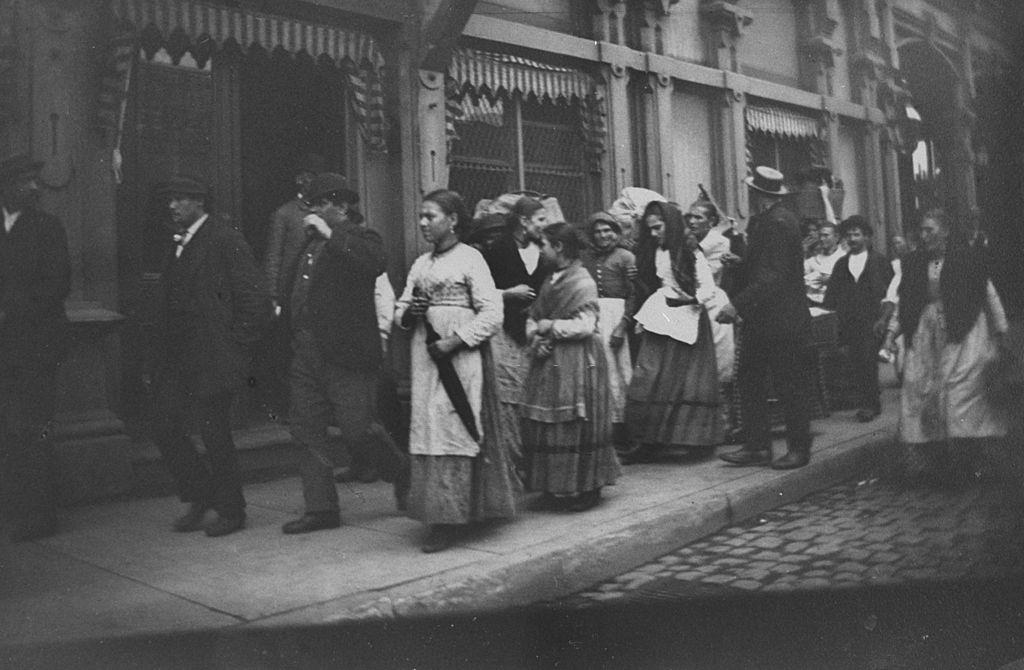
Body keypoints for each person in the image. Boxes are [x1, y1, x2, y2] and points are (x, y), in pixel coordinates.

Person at [277, 173, 404, 534]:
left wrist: (332, 234)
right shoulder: (310, 244)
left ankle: (402, 471)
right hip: (306, 350)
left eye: (319, 204)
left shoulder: (361, 238)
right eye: (311, 205)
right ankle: (321, 509)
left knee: (358, 430)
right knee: (306, 429)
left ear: (341, 206)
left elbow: (373, 262)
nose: (311, 212)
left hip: (346, 353)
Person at [396, 189, 518, 553]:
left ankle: (452, 519)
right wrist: (411, 313)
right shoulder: (420, 264)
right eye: (420, 216)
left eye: (430, 216)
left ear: (452, 220)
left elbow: (492, 313)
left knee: (454, 423)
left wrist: (455, 341)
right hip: (425, 354)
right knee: (429, 424)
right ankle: (436, 512)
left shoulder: (471, 259)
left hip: (460, 358)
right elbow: (400, 307)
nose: (422, 223)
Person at [148, 176, 267, 537]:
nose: (172, 206)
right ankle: (201, 494)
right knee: (164, 425)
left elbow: (255, 301)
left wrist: (233, 346)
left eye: (180, 199)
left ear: (199, 202)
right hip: (178, 357)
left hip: (213, 356)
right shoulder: (179, 242)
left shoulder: (224, 238)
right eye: (170, 199)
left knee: (215, 434)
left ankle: (232, 510)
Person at [883, 208, 1008, 485]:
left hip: (964, 333)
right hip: (927, 335)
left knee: (958, 394)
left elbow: (989, 295)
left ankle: (971, 459)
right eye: (922, 230)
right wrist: (892, 333)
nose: (925, 236)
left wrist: (1000, 333)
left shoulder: (967, 259)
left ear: (946, 231)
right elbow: (906, 302)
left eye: (930, 230)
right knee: (921, 393)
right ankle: (938, 462)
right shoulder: (913, 263)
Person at [717, 166, 813, 470]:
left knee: (788, 384)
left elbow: (773, 276)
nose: (749, 193)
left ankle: (798, 449)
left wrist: (736, 305)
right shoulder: (765, 221)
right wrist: (741, 264)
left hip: (783, 320)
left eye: (752, 190)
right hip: (764, 318)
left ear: (759, 194)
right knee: (749, 379)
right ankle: (757, 446)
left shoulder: (780, 223)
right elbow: (763, 268)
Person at [520, 222, 620, 511]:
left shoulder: (582, 281)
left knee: (577, 422)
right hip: (549, 359)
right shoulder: (550, 279)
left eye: (544, 246)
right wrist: (535, 335)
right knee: (548, 422)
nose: (541, 251)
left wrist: (551, 327)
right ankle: (555, 485)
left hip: (578, 359)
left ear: (559, 248)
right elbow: (533, 316)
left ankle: (588, 487)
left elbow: (587, 325)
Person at [0, 154, 70, 542]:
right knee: (8, 432)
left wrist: (8, 311)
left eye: (36, 181)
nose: (35, 187)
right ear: (6, 186)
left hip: (35, 348)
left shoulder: (47, 227)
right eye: (26, 181)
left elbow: (57, 286)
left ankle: (40, 515)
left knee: (35, 431)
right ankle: (13, 507)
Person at [626, 201, 723, 457]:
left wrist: (689, 300)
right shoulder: (655, 251)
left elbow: (707, 288)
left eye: (658, 228)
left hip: (687, 316)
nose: (655, 234)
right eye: (651, 229)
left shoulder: (690, 250)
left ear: (670, 224)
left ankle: (695, 441)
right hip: (662, 314)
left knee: (687, 380)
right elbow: (653, 284)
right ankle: (649, 440)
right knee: (651, 375)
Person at [464, 199, 548, 471]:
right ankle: (511, 463)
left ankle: (536, 464)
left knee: (537, 395)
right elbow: (476, 292)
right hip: (505, 333)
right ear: (524, 221)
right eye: (540, 220)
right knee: (508, 398)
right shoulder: (498, 250)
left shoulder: (545, 251)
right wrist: (508, 294)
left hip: (536, 333)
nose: (544, 226)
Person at [260, 153, 325, 416]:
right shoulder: (285, 214)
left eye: (315, 177)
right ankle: (289, 409)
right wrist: (273, 296)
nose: (311, 182)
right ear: (299, 180)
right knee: (287, 353)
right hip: (290, 295)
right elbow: (274, 256)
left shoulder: (326, 212)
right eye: (307, 176)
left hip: (318, 295)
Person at [822, 215, 893, 422]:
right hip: (849, 321)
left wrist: (885, 319)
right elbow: (832, 295)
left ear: (867, 237)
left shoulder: (879, 261)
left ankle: (871, 405)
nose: (852, 239)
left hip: (872, 320)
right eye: (849, 235)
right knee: (856, 362)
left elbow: (891, 292)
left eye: (857, 234)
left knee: (868, 360)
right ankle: (866, 400)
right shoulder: (841, 264)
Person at [580, 211, 636, 448]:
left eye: (607, 231)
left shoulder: (625, 257)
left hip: (617, 317)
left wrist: (623, 325)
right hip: (595, 317)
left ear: (616, 232)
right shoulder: (586, 258)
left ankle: (625, 429)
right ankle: (603, 428)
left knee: (622, 372)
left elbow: (634, 294)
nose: (603, 236)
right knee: (598, 370)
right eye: (598, 232)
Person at [804, 221, 845, 306]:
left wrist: (832, 280)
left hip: (837, 306)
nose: (822, 239)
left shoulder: (845, 258)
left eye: (826, 235)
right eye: (820, 236)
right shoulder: (812, 261)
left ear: (836, 237)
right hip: (814, 305)